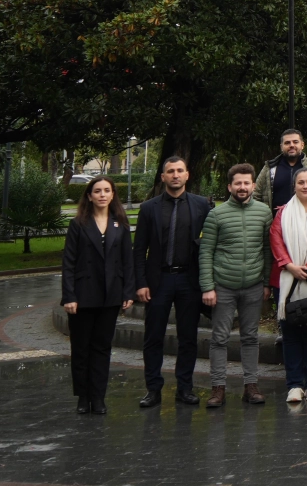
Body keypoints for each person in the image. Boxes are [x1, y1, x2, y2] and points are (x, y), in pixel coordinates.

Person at [132, 155, 211, 408]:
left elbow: (211, 245)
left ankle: (185, 388)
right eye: (170, 171)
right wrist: (141, 283)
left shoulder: (202, 206)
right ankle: (153, 389)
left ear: (187, 175)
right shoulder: (149, 208)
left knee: (188, 337)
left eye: (180, 170)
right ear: (163, 176)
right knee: (153, 337)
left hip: (189, 280)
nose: (175, 175)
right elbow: (139, 249)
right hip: (158, 280)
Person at [198, 164, 272, 408]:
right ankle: (218, 388)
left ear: (253, 185)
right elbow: (206, 252)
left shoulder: (263, 212)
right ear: (229, 186)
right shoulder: (216, 215)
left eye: (247, 183)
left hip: (253, 285)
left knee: (250, 337)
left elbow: (267, 249)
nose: (242, 187)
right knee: (219, 339)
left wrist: (266, 282)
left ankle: (251, 386)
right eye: (237, 183)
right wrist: (208, 287)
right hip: (223, 287)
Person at [61, 176, 134, 414]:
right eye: (97, 191)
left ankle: (99, 397)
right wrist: (69, 296)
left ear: (113, 195)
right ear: (89, 196)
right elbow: (69, 263)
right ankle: (83, 397)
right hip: (82, 297)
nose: (102, 194)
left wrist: (127, 292)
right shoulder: (78, 224)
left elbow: (127, 262)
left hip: (110, 297)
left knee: (102, 348)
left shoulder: (121, 225)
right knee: (81, 348)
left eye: (107, 190)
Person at [268, 167, 307, 403]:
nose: (305, 186)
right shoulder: (283, 213)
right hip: (287, 280)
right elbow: (275, 240)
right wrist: (290, 265)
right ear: (294, 186)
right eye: (301, 182)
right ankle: (294, 384)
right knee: (291, 334)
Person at [254, 129, 307, 210]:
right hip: (276, 220)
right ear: (281, 147)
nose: (291, 145)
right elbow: (256, 195)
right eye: (287, 143)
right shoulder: (270, 168)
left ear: (302, 145)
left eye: (295, 142)